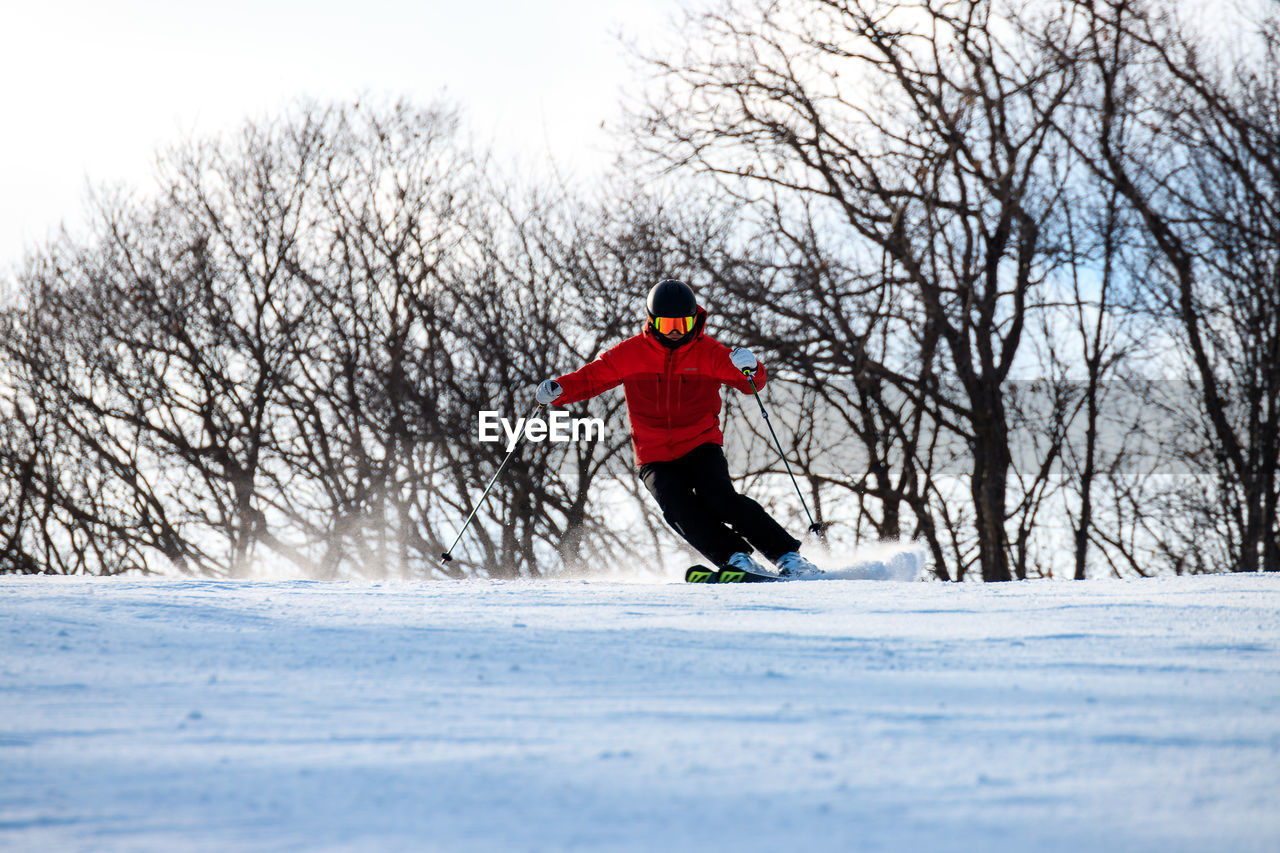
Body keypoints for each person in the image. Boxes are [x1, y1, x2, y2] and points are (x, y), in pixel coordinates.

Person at [535, 279, 818, 577]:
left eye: (682, 324)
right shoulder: (629, 353)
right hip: (654, 453)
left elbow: (752, 384)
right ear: (652, 321)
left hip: (700, 443)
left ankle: (788, 556)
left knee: (718, 498)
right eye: (667, 324)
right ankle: (735, 558)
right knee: (677, 507)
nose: (674, 332)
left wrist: (753, 367)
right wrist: (559, 389)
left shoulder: (709, 352)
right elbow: (591, 378)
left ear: (693, 320)